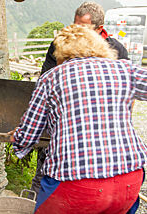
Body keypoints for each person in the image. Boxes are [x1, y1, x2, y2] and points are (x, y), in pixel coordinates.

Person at [9, 24, 147, 213]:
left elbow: (30, 131)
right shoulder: (124, 69)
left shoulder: (52, 78)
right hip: (128, 180)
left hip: (76, 183)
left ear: (62, 53)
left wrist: (17, 140)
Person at [30, 1, 130, 201]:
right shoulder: (61, 45)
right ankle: (36, 201)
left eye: (82, 28)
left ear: (99, 29)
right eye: (74, 25)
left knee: (94, 179)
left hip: (101, 130)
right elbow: (46, 81)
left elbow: (128, 96)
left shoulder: (118, 52)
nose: (76, 31)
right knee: (45, 175)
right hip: (63, 125)